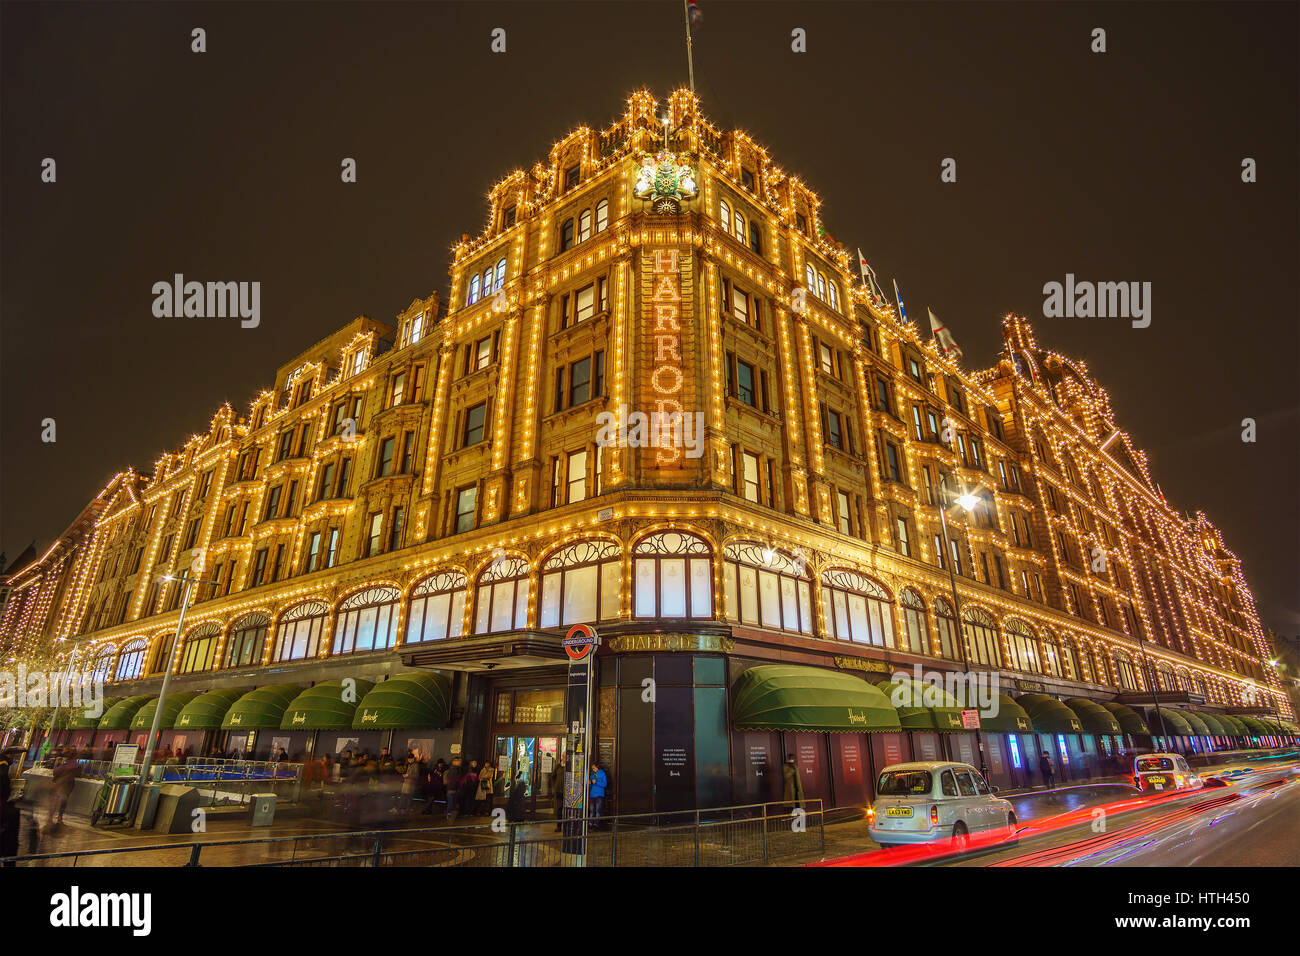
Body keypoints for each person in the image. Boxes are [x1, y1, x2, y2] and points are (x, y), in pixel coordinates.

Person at [588, 760, 608, 828]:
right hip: (592, 795)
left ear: (597, 767)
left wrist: (596, 782)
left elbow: (604, 784)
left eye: (594, 768)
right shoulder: (592, 775)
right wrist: (589, 784)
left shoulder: (602, 774)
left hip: (599, 795)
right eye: (592, 768)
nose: (593, 769)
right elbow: (590, 787)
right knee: (591, 810)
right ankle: (590, 823)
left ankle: (596, 824)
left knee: (598, 811)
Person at [549, 754, 566, 831]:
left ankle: (567, 826)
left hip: (567, 792)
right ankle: (559, 826)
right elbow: (553, 776)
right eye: (563, 756)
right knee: (559, 809)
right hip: (559, 791)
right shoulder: (558, 766)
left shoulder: (570, 766)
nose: (564, 758)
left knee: (567, 810)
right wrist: (554, 787)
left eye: (565, 756)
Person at [443, 757, 463, 822]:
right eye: (456, 761)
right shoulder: (451, 770)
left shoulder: (459, 769)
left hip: (456, 789)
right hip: (451, 788)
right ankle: (449, 814)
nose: (458, 762)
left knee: (454, 803)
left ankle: (452, 816)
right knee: (451, 802)